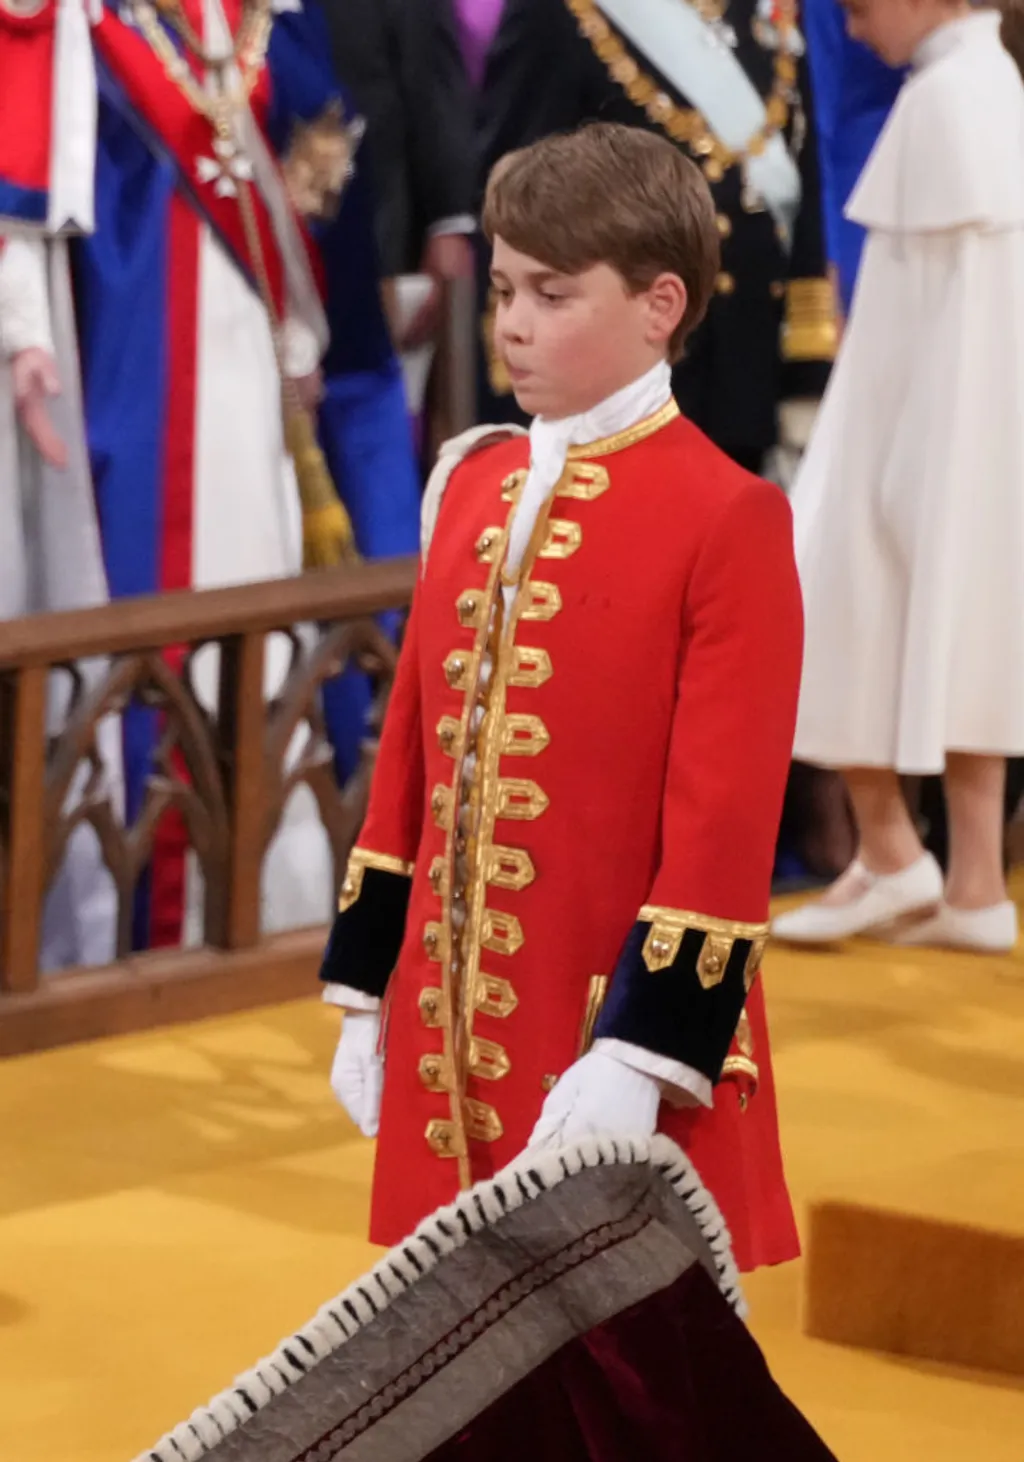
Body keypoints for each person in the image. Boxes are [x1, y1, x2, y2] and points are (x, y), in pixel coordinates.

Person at [321, 122, 804, 1274]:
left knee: (629, 1369)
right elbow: (413, 752)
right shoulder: (471, 478)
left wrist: (643, 1051)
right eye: (500, 290)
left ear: (658, 305)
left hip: (605, 1009)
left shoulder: (727, 514)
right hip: (449, 1011)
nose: (513, 324)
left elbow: (724, 822)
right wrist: (367, 979)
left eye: (553, 292)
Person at [773, 0, 1024, 953]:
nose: (849, 11)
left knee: (822, 588)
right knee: (969, 618)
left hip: (914, 430)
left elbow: (930, 334)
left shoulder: (949, 98)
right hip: (962, 433)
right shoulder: (980, 86)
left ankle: (889, 850)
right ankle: (970, 882)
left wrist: (899, 462)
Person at [473, 0, 837, 477]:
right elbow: (520, 209)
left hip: (747, 367)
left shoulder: (768, 11)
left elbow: (800, 187)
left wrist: (805, 370)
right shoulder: (556, 13)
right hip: (621, 386)